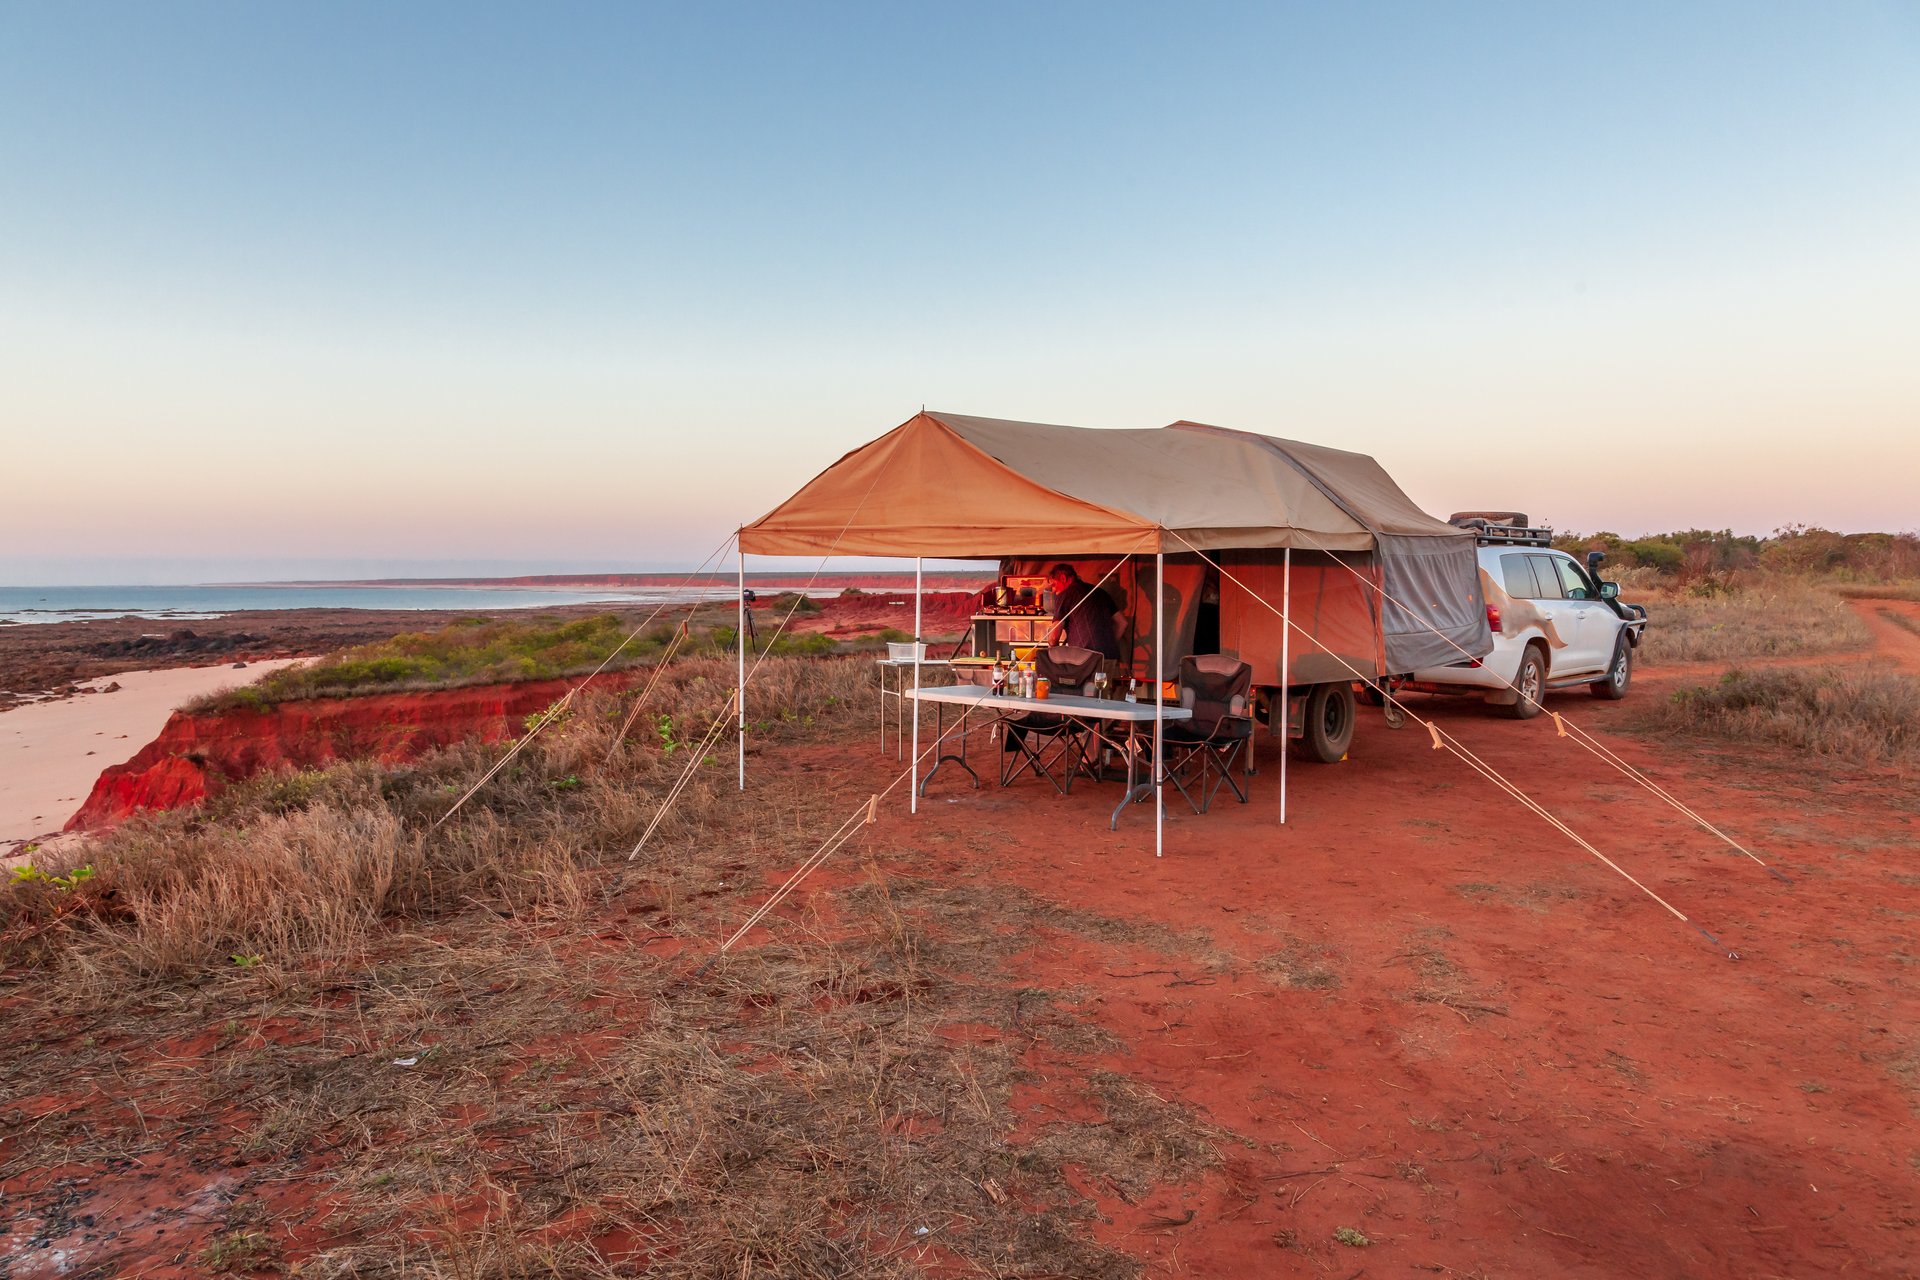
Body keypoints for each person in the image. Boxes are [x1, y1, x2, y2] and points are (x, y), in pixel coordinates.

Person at [1045, 563, 1120, 658]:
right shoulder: (1101, 592)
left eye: (1054, 585)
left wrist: (1053, 654)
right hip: (1110, 656)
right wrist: (1108, 645)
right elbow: (1122, 623)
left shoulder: (1065, 594)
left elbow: (1054, 637)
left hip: (1083, 659)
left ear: (1063, 578)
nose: (1054, 590)